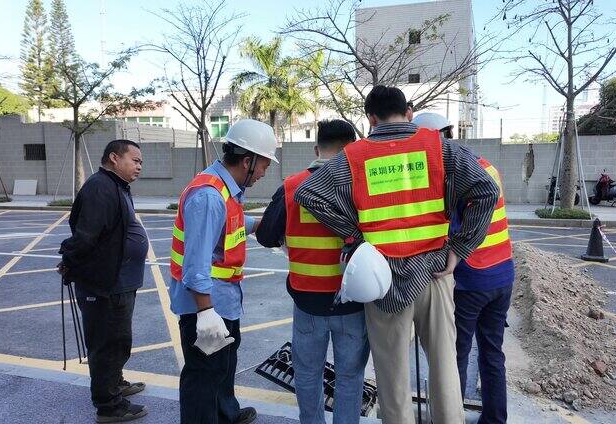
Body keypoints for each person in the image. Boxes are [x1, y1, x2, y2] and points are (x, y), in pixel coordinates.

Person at [295, 85, 498, 423]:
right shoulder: (440, 148)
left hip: (384, 281)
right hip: (434, 273)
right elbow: (486, 190)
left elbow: (308, 193)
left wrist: (353, 236)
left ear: (370, 118)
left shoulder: (354, 156)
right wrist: (460, 247)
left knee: (392, 376)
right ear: (408, 113)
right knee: (445, 368)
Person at [256, 119, 369, 424]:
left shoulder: (293, 186)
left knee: (308, 374)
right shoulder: (362, 186)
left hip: (307, 302)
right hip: (352, 303)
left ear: (317, 148)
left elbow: (266, 235)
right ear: (353, 149)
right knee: (349, 376)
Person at [168, 119, 278, 424]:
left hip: (223, 299)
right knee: (204, 374)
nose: (263, 173)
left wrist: (260, 226)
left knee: (223, 364)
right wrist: (205, 313)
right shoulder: (208, 196)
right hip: (206, 305)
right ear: (247, 161)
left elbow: (227, 227)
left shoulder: (224, 188)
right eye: (263, 166)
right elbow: (195, 264)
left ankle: (226, 414)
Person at [413, 112, 514, 424]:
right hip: (503, 275)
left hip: (472, 280)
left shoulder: (450, 175)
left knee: (453, 354)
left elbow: (447, 231)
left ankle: (449, 418)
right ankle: (495, 419)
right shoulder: (484, 165)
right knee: (492, 352)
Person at [58, 139, 148, 423]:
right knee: (106, 344)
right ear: (113, 157)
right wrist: (69, 262)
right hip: (105, 284)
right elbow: (86, 235)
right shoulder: (101, 188)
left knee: (118, 340)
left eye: (141, 162)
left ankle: (114, 382)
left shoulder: (116, 186)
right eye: (134, 160)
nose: (139, 167)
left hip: (120, 282)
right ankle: (109, 406)